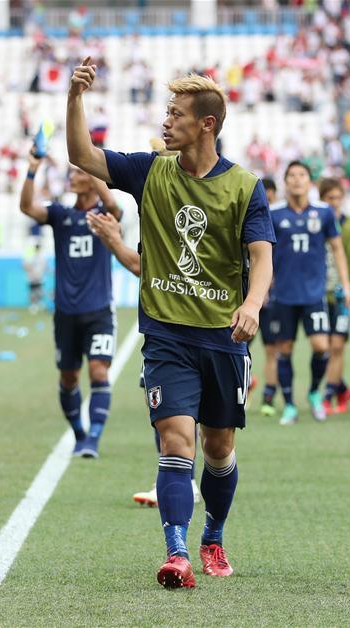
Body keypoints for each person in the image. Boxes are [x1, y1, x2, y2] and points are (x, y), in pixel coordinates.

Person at [68, 59, 274, 588]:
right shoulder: (148, 170)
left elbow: (262, 254)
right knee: (176, 441)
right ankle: (177, 551)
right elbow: (81, 155)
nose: (166, 121)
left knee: (220, 448)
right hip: (165, 334)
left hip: (224, 338)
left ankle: (214, 537)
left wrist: (251, 303)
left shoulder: (246, 187)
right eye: (166, 111)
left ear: (206, 123)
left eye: (176, 113)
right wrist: (75, 97)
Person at [87, 207, 203, 508]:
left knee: (191, 415)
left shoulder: (185, 207)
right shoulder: (163, 202)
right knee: (165, 410)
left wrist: (113, 240)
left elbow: (142, 266)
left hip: (188, 325)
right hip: (168, 328)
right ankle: (181, 478)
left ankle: (187, 480)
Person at [20, 147, 121, 459]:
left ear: (92, 180)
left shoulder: (105, 216)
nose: (73, 176)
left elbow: (115, 205)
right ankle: (78, 431)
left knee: (99, 373)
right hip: (66, 312)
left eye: (79, 172)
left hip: (99, 311)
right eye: (74, 172)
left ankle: (93, 437)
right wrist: (32, 168)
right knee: (68, 378)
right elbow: (26, 206)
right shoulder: (62, 215)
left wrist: (93, 168)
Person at [270, 161, 350, 425]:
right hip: (283, 293)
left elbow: (337, 248)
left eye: (301, 175)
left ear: (310, 181)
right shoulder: (274, 213)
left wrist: (346, 283)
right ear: (285, 181)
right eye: (291, 175)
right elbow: (263, 251)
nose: (296, 180)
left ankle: (315, 392)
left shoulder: (324, 212)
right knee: (284, 349)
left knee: (321, 346)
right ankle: (290, 405)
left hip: (314, 293)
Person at [319, 177, 350, 415]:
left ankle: (328, 396)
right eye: (329, 198)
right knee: (322, 348)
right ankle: (342, 389)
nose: (335, 203)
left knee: (337, 347)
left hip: (344, 296)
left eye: (338, 198)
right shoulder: (315, 223)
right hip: (319, 295)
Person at [258, 176, 281, 417]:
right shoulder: (248, 218)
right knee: (238, 349)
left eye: (269, 192)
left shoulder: (279, 221)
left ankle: (269, 395)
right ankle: (241, 387)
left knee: (271, 349)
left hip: (273, 299)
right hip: (248, 297)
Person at [24, 242, 48, 313]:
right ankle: (33, 305)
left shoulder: (42, 257)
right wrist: (31, 273)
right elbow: (26, 265)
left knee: (39, 290)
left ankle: (39, 303)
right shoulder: (31, 256)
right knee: (32, 291)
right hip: (32, 276)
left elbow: (44, 266)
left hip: (39, 276)